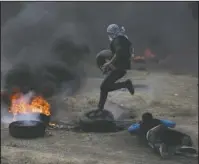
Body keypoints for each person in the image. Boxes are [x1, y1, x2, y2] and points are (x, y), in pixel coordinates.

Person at [96, 24, 135, 113]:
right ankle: (100, 108)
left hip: (119, 67)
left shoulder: (117, 40)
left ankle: (126, 84)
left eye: (109, 33)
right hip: (121, 66)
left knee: (103, 87)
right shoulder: (123, 38)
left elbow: (119, 52)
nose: (109, 35)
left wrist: (110, 63)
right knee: (105, 87)